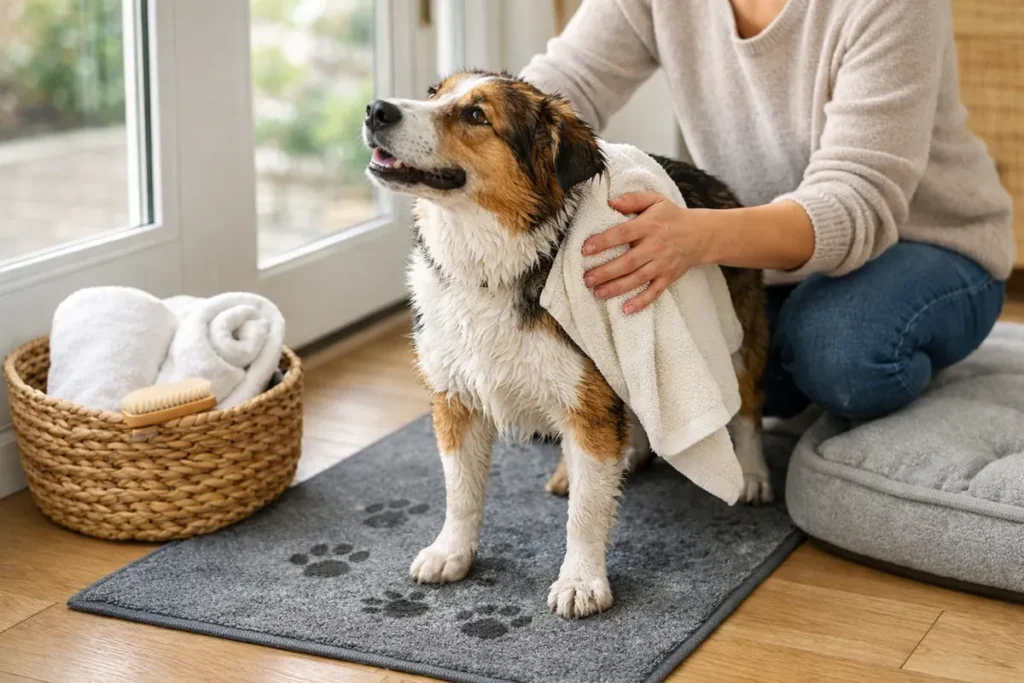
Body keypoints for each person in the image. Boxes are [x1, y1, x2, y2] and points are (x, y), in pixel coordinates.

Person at [521, 0, 1014, 421]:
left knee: (837, 356)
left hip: (931, 244)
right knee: (716, 372)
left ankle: (902, 355)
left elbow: (857, 199)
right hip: (769, 256)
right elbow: (563, 86)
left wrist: (692, 237)